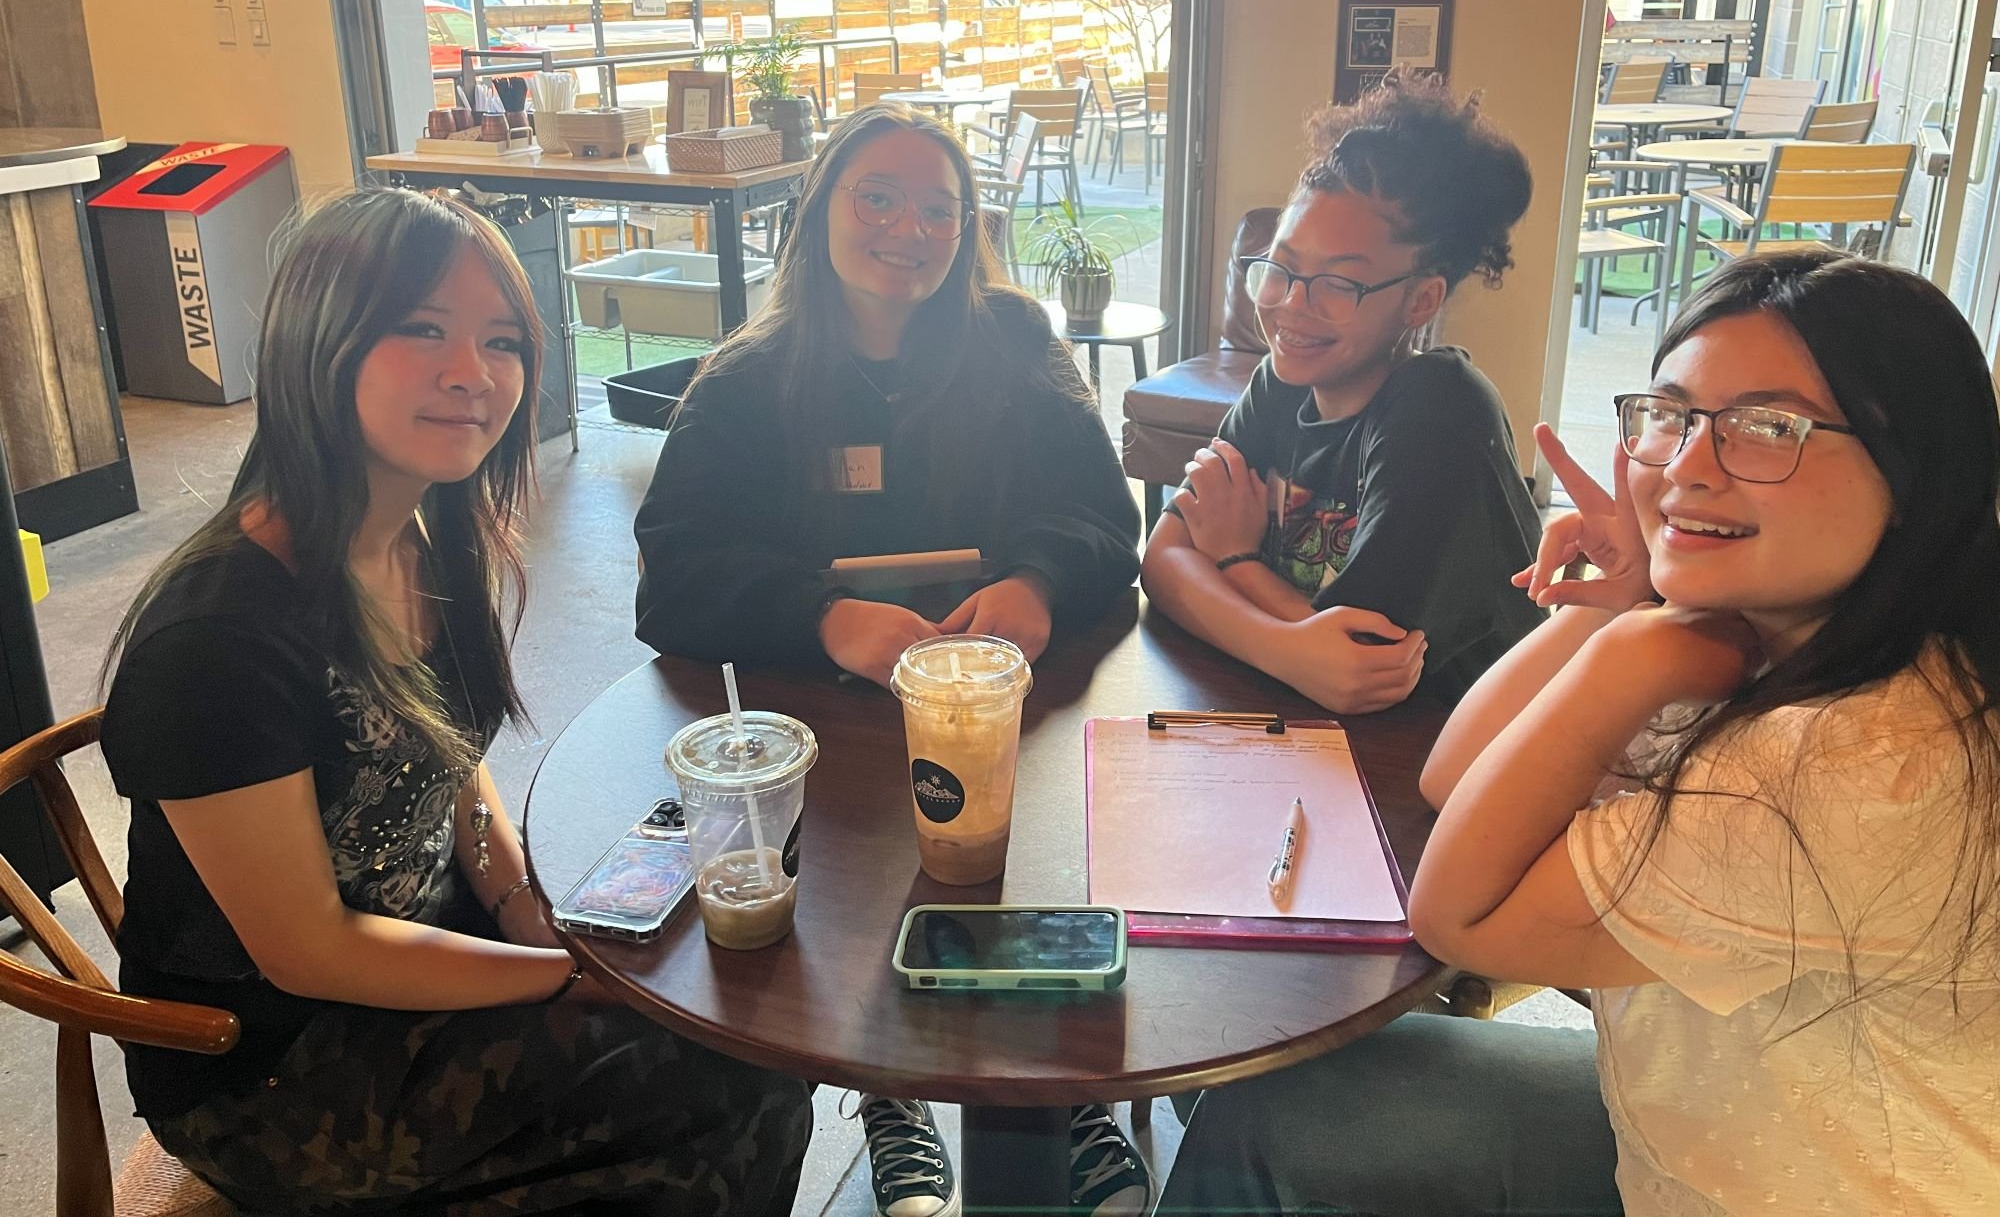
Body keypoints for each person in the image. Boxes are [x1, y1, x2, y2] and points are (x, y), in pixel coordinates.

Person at [1160, 252, 2000, 1215]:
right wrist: (1621, 602)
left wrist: (1630, 650)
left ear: (1919, 474)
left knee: (1261, 1109)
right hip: (1682, 1125)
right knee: (1252, 1098)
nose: (1687, 468)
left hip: (1785, 1188)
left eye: (1769, 429)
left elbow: (1462, 918)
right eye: (1676, 418)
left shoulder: (1864, 761)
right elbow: (1456, 773)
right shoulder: (1774, 634)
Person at [99, 189, 811, 1215]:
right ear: (317, 342)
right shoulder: (214, 643)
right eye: (421, 329)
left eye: (501, 341)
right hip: (274, 1067)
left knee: (743, 1030)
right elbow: (310, 950)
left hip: (430, 957)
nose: (472, 376)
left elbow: (452, 767)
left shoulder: (424, 539)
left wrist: (532, 922)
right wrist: (558, 980)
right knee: (728, 1091)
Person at [633, 104, 1146, 1217]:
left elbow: (1107, 521)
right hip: (831, 714)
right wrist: (820, 616)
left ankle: (1064, 1091)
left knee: (1022, 865)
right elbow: (670, 577)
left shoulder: (1013, 341)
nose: (908, 227)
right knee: (867, 893)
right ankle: (892, 1094)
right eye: (878, 196)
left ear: (967, 231)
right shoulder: (746, 377)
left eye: (938, 209)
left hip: (1008, 696)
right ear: (820, 208)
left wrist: (1039, 586)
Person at [1141, 77, 1542, 713]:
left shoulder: (1441, 408)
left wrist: (1235, 559)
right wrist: (1289, 646)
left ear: (1420, 300)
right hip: (1305, 722)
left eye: (1339, 283)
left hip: (1451, 740)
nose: (1293, 305)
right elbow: (1163, 560)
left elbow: (1359, 658)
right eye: (1282, 267)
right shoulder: (1281, 379)